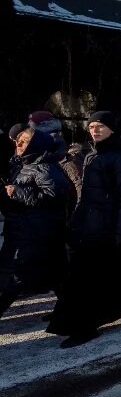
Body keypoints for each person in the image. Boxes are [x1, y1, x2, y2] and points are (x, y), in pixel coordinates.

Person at [48, 111, 121, 348]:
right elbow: (86, 196)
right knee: (110, 277)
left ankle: (84, 327)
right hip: (88, 227)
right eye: (91, 127)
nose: (95, 130)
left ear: (113, 129)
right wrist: (76, 223)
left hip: (107, 228)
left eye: (100, 126)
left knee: (88, 279)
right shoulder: (92, 156)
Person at [0, 129, 72, 319]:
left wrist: (17, 192)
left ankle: (76, 316)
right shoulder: (22, 164)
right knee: (57, 276)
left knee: (11, 278)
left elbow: (56, 196)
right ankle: (69, 311)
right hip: (24, 230)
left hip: (35, 233)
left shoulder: (45, 166)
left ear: (36, 145)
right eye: (18, 141)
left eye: (24, 141)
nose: (19, 144)